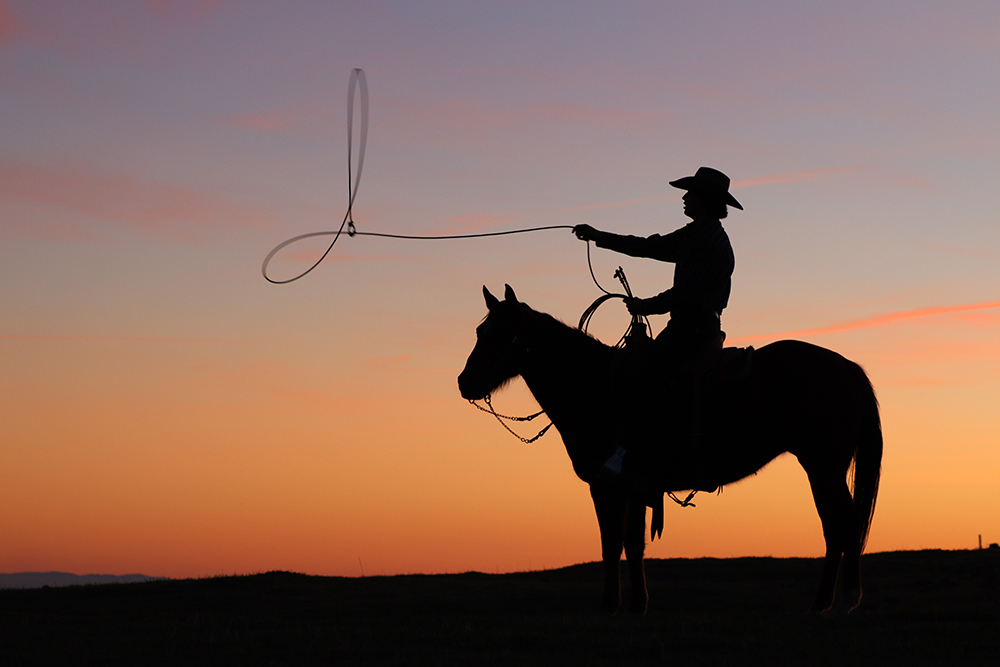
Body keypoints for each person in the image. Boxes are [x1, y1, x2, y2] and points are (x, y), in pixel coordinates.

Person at [572, 166, 741, 365]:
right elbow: (649, 246)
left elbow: (682, 295)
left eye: (691, 193)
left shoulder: (708, 242)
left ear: (704, 199)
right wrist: (599, 236)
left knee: (640, 374)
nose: (684, 198)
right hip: (693, 327)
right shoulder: (695, 235)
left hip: (692, 330)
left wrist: (643, 306)